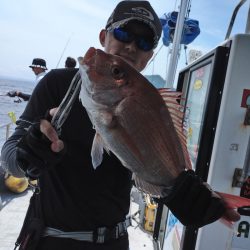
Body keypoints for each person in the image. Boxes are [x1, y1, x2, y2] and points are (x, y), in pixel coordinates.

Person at [0, 1, 239, 250]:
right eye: (124, 33)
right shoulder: (56, 84)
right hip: (50, 239)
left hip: (115, 241)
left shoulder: (150, 103)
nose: (131, 46)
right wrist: (29, 153)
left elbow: (149, 170)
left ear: (149, 57)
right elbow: (9, 161)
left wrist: (182, 193)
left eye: (144, 43)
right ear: (104, 36)